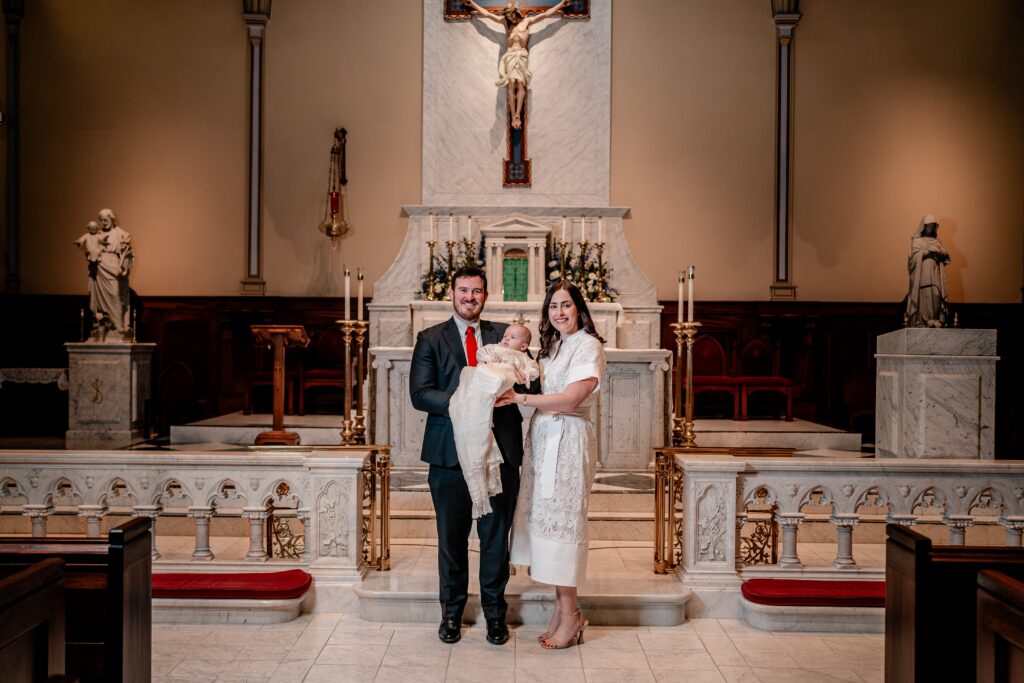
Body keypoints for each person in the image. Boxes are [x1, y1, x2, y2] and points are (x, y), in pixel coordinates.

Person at [409, 265, 537, 646]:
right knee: (451, 538)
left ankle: (495, 615)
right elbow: (421, 393)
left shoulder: (507, 336)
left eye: (476, 291)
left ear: (486, 294)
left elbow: (534, 378)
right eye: (463, 290)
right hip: (449, 453)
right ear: (452, 294)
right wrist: (470, 402)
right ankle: (451, 613)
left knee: (495, 538)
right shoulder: (431, 338)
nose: (470, 297)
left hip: (501, 452)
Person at [497, 281, 606, 650]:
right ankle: (563, 612)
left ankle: (571, 614)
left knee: (565, 522)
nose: (559, 312)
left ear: (579, 309)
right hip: (544, 439)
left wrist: (520, 398)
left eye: (566, 305)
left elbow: (573, 399)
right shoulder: (554, 347)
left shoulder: (588, 346)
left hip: (570, 439)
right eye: (553, 306)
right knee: (547, 519)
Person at [449, 324, 540, 519]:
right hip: (470, 413)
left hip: (505, 441)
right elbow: (482, 354)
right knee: (472, 374)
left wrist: (524, 376)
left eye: (511, 337)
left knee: (498, 526)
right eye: (505, 336)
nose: (506, 339)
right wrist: (491, 359)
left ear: (523, 346)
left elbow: (534, 376)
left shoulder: (522, 357)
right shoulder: (495, 348)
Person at [462, 0, 572, 129]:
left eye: (509, 13)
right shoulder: (505, 23)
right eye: (506, 14)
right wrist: (472, 4)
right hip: (510, 56)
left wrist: (561, 4)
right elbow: (487, 14)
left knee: (519, 83)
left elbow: (546, 14)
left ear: (515, 12)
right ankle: (513, 113)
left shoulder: (527, 22)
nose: (508, 16)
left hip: (521, 56)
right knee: (511, 83)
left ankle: (517, 115)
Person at [94, 208, 134, 337]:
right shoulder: (98, 235)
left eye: (106, 220)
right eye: (101, 221)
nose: (104, 223)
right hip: (100, 267)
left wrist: (125, 268)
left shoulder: (122, 234)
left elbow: (128, 255)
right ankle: (104, 324)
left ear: (111, 218)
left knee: (116, 294)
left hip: (114, 267)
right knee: (101, 298)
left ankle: (119, 324)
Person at [906, 213, 950, 328]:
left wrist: (939, 251)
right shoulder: (917, 240)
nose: (931, 228)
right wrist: (928, 251)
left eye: (933, 226)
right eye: (929, 225)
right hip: (923, 273)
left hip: (934, 272)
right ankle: (922, 321)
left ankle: (935, 319)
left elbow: (946, 257)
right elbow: (913, 259)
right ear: (924, 226)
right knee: (924, 294)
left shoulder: (936, 241)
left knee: (936, 293)